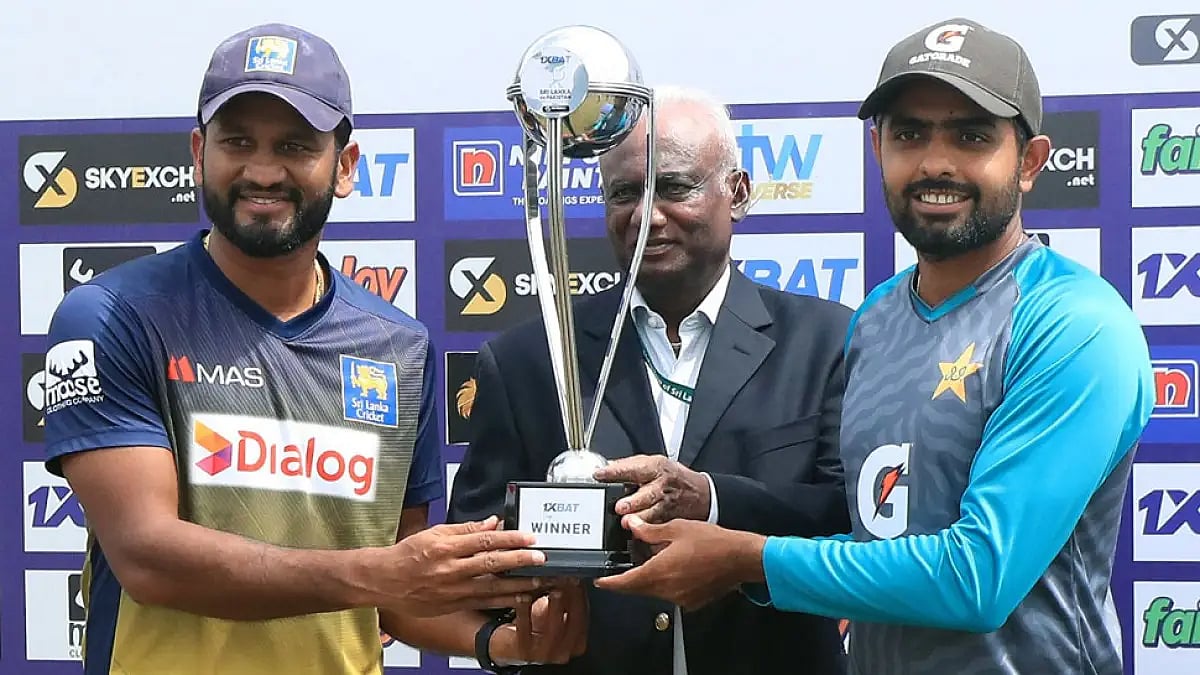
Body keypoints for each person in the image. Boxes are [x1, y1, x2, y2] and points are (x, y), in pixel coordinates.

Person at [592, 17, 1155, 675]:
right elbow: (872, 538)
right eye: (909, 134)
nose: (935, 162)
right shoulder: (877, 318)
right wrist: (709, 502)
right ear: (877, 150)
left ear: (1029, 162)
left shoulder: (1074, 324)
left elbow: (978, 577)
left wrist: (746, 558)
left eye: (971, 135)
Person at [42, 23, 578, 675]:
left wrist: (501, 640)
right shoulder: (111, 316)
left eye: (295, 145)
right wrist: (377, 571)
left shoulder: (400, 347)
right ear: (197, 153)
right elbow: (147, 556)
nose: (263, 170)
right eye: (237, 141)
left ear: (345, 167)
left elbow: (398, 593)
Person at [447, 85, 854, 675]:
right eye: (624, 193)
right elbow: (473, 550)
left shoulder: (828, 341)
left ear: (736, 193)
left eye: (674, 186)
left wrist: (713, 503)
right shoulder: (526, 361)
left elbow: (852, 522)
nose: (646, 215)